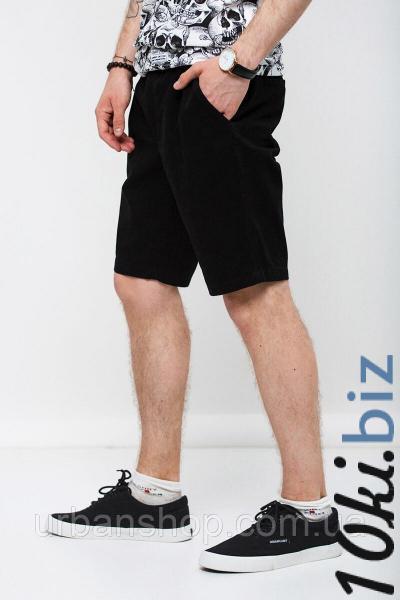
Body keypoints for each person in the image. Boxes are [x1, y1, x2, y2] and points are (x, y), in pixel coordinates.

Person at [48, 0, 342, 572]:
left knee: (254, 289)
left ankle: (309, 513)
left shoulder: (231, 74)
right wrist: (122, 66)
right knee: (142, 280)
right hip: (158, 87)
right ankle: (154, 498)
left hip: (221, 82)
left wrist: (240, 63)